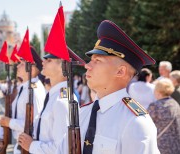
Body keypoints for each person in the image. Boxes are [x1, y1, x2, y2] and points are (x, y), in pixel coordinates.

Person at [57, 20, 160, 154]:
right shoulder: (83, 113)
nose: (87, 65)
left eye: (97, 60)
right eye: (91, 60)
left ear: (120, 72)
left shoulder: (135, 122)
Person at [18, 49, 80, 154]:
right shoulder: (54, 96)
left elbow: (62, 149)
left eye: (49, 60)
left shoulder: (62, 101)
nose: (43, 62)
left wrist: (32, 145)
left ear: (63, 67)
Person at [0, 47, 46, 154]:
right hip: (20, 146)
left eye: (21, 63)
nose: (17, 66)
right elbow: (10, 114)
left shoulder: (35, 90)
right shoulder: (23, 88)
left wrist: (10, 123)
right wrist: (1, 135)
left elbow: (35, 124)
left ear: (32, 67)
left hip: (29, 147)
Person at [147, 78, 180, 154]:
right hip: (175, 145)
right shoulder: (175, 104)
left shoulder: (155, 106)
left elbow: (146, 124)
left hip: (160, 145)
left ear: (158, 91)